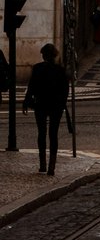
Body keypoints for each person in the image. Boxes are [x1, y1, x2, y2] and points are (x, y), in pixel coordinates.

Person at [22, 44, 69, 175]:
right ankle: (51, 167)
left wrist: (26, 102)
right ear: (55, 55)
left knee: (41, 133)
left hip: (41, 105)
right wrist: (61, 104)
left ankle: (42, 164)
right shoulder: (60, 70)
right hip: (56, 106)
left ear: (43, 55)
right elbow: (65, 90)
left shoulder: (37, 68)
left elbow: (31, 87)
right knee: (53, 134)